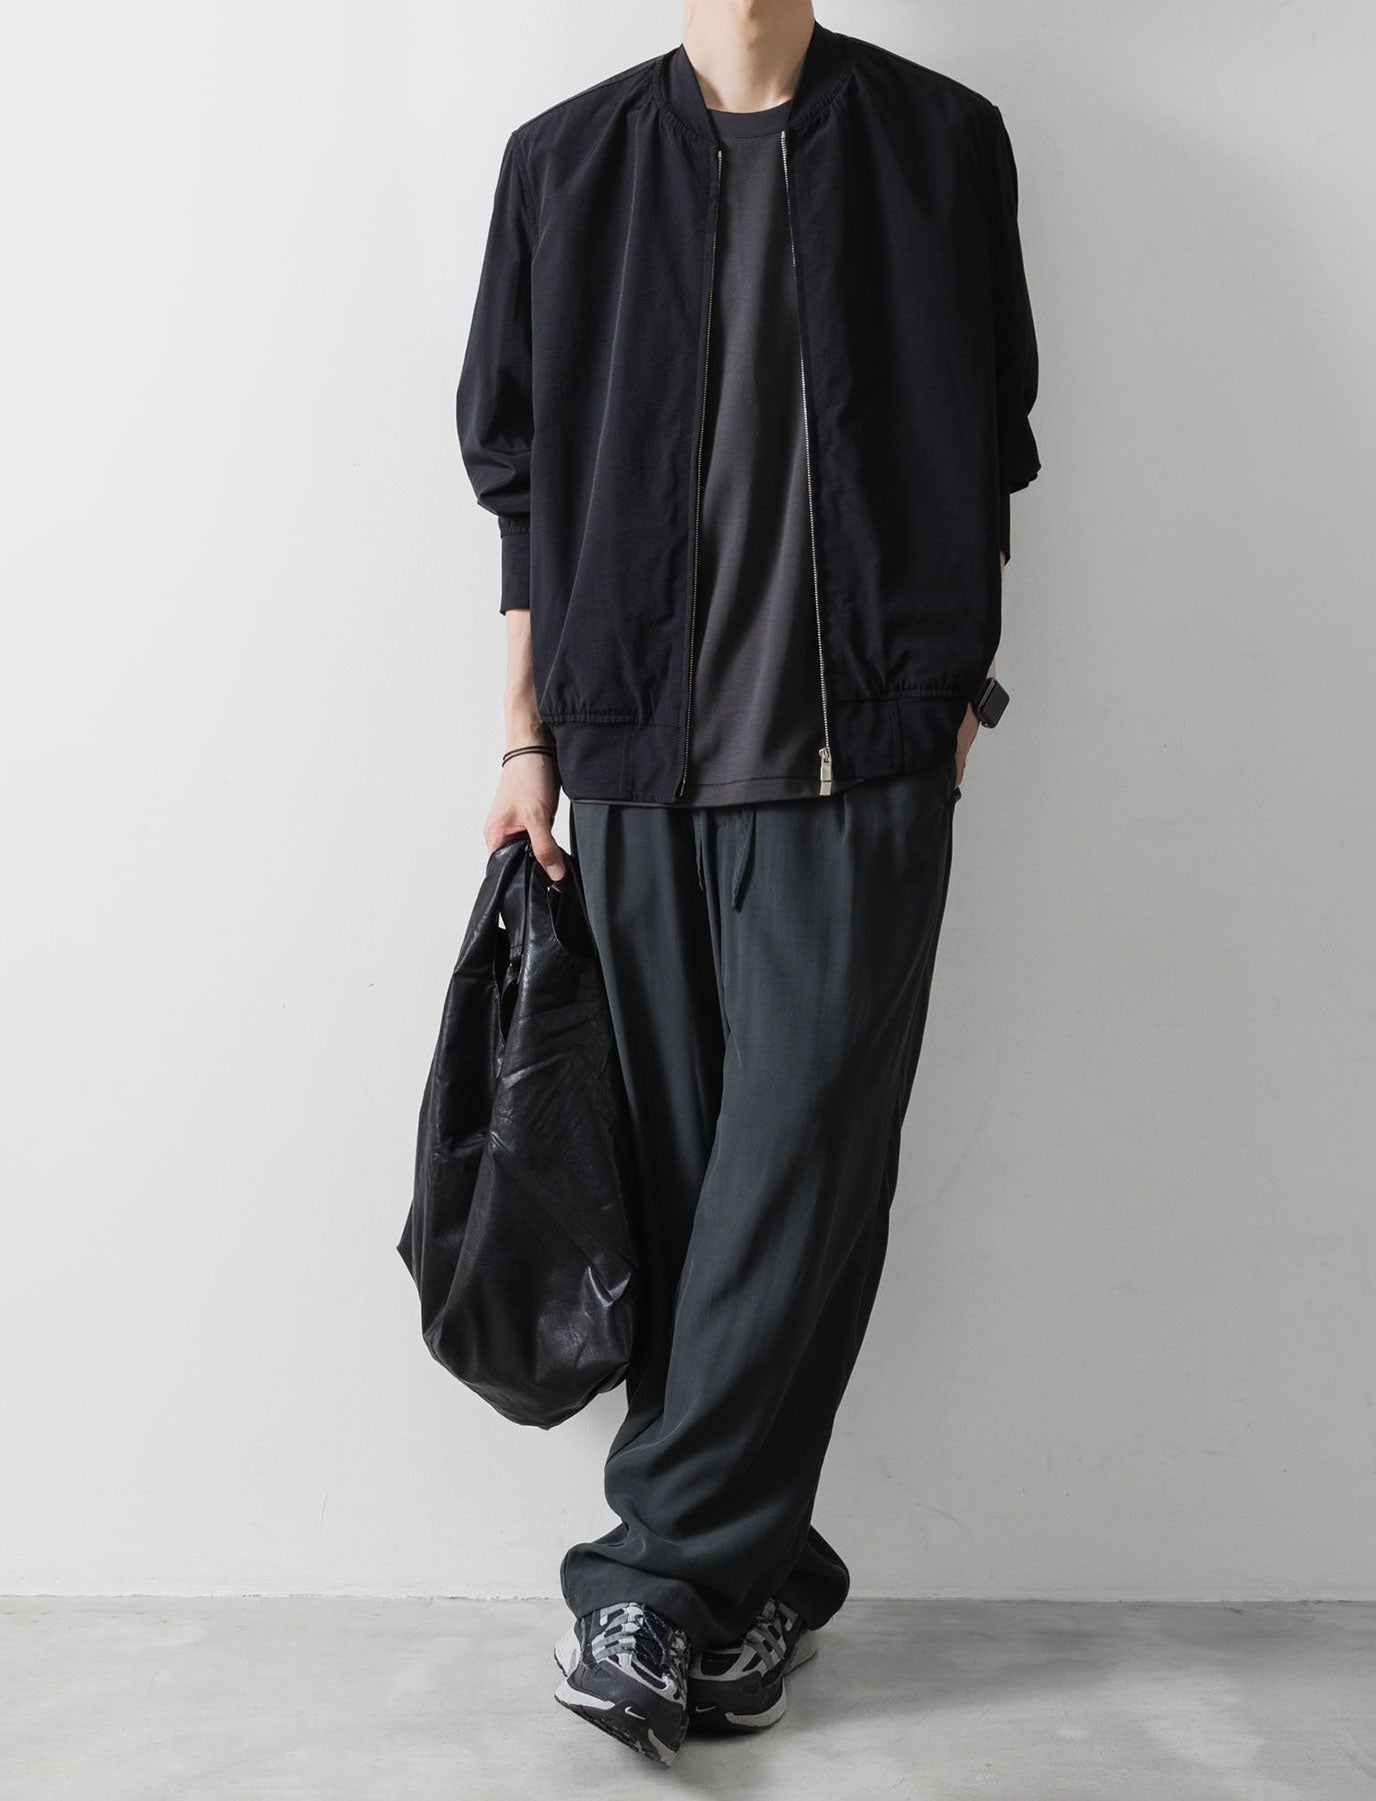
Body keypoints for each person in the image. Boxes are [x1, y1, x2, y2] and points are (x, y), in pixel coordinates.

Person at [455, 0, 1039, 1767]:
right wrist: (523, 741)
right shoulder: (565, 165)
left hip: (864, 759)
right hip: (633, 761)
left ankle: (646, 1584)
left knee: (801, 1173)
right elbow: (521, 485)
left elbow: (994, 430)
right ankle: (758, 1583)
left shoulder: (941, 144)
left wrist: (955, 691)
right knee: (696, 1197)